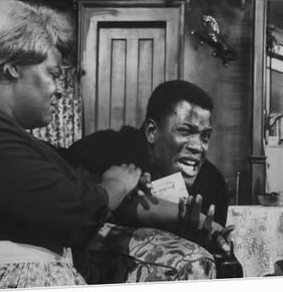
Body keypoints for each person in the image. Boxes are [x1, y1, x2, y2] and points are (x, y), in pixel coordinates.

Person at [0, 0, 227, 291]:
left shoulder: (6, 134)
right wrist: (116, 184)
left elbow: (83, 190)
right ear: (13, 67)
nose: (59, 90)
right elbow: (71, 208)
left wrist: (184, 215)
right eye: (53, 74)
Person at [66, 80, 229, 226]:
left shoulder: (212, 183)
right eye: (185, 131)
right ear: (152, 131)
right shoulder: (103, 150)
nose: (198, 147)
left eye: (205, 136)